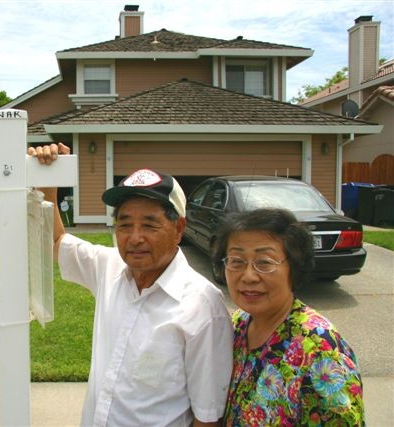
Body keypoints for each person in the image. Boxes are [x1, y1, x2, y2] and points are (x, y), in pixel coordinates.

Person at [29, 142, 233, 427]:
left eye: (150, 225)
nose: (135, 237)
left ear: (179, 229)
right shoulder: (109, 266)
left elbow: (207, 417)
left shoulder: (203, 305)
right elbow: (56, 242)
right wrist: (48, 184)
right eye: (124, 225)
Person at [212, 208, 364, 426]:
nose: (248, 276)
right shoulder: (238, 323)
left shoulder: (321, 351)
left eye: (264, 262)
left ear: (294, 267)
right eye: (236, 261)